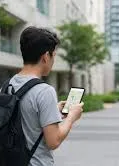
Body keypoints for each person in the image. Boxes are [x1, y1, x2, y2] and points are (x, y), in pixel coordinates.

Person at [8, 26, 83, 166]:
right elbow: (53, 141)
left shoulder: (9, 84)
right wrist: (72, 116)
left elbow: (23, 115)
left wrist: (52, 109)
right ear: (45, 57)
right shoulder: (44, 91)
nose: (53, 60)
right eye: (53, 55)